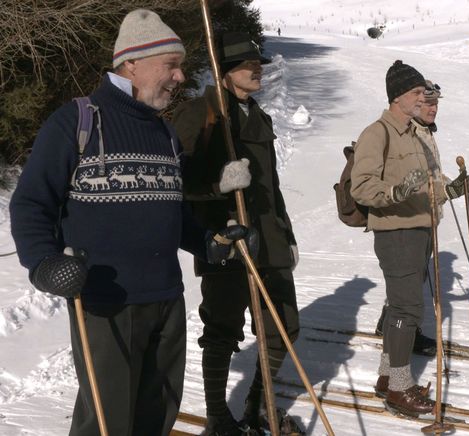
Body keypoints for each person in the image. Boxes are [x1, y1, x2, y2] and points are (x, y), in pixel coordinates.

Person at [9, 9, 252, 436]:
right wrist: (43, 263)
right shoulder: (77, 122)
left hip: (166, 298)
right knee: (106, 422)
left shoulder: (164, 133)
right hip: (104, 304)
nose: (180, 77)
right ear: (132, 64)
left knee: (158, 415)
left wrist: (208, 242)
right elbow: (31, 203)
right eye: (171, 66)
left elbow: (171, 212)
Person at [172, 32, 301, 435]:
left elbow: (272, 185)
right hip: (226, 239)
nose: (257, 68)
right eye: (248, 64)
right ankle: (218, 417)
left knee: (284, 326)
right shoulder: (201, 114)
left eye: (258, 62)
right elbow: (175, 181)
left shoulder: (257, 114)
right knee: (223, 329)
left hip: (270, 239)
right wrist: (218, 187)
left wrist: (287, 232)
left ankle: (256, 406)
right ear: (225, 72)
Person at [351, 62, 469, 417]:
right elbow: (361, 186)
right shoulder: (378, 133)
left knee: (398, 306)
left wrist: (450, 190)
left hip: (419, 226)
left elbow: (424, 188)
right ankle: (400, 389)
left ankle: (388, 377)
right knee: (407, 308)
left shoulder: (412, 135)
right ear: (398, 96)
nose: (423, 98)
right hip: (396, 231)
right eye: (416, 93)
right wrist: (395, 192)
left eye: (424, 93)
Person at [373, 80, 469, 358]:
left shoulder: (424, 132)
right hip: (405, 220)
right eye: (427, 102)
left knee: (412, 280)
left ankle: (394, 325)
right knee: (409, 282)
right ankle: (400, 346)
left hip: (426, 217)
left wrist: (452, 187)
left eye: (436, 103)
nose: (433, 108)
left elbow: (430, 177)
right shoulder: (407, 132)